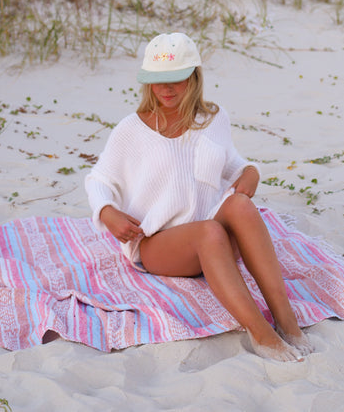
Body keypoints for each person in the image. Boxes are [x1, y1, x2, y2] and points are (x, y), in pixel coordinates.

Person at [85, 32, 313, 362]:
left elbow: (232, 162)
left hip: (213, 235)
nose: (165, 89)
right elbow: (99, 180)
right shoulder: (131, 130)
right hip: (159, 245)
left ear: (193, 76)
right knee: (209, 232)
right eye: (156, 80)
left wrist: (251, 172)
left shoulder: (213, 119)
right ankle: (261, 335)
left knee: (238, 205)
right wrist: (108, 213)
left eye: (175, 79)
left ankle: (286, 321)